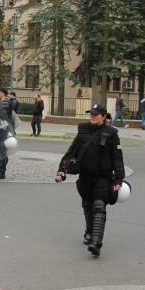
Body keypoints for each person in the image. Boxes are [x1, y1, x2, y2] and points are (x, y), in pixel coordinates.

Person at [55, 104, 125, 257]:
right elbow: (71, 151)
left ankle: (96, 242)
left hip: (103, 177)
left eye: (96, 114)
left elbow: (118, 158)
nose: (92, 116)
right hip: (85, 176)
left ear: (104, 116)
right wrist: (61, 170)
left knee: (99, 206)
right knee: (87, 204)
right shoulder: (83, 130)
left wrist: (119, 179)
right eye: (91, 114)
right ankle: (89, 232)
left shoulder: (112, 134)